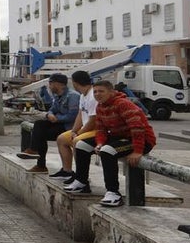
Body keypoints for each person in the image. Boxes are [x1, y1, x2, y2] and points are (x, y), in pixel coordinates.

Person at [65, 79, 157, 207]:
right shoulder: (100, 106)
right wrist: (99, 143)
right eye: (95, 92)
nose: (97, 94)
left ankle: (113, 193)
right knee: (81, 145)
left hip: (142, 140)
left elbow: (137, 128)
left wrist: (137, 151)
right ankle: (81, 182)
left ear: (111, 92)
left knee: (107, 151)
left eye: (101, 91)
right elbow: (101, 129)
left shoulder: (123, 104)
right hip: (119, 137)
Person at [17, 73, 80, 174]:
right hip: (59, 124)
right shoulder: (57, 96)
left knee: (41, 134)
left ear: (58, 84)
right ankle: (36, 156)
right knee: (39, 125)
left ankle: (37, 157)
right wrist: (49, 115)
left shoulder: (72, 96)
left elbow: (73, 115)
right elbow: (52, 109)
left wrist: (57, 119)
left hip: (69, 127)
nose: (49, 86)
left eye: (50, 83)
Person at [48, 70, 97, 183]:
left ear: (75, 82)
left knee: (77, 142)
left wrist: (79, 133)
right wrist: (74, 130)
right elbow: (80, 115)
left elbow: (93, 120)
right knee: (62, 139)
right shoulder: (82, 96)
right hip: (85, 128)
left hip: (96, 129)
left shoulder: (92, 95)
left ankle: (81, 177)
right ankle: (67, 171)